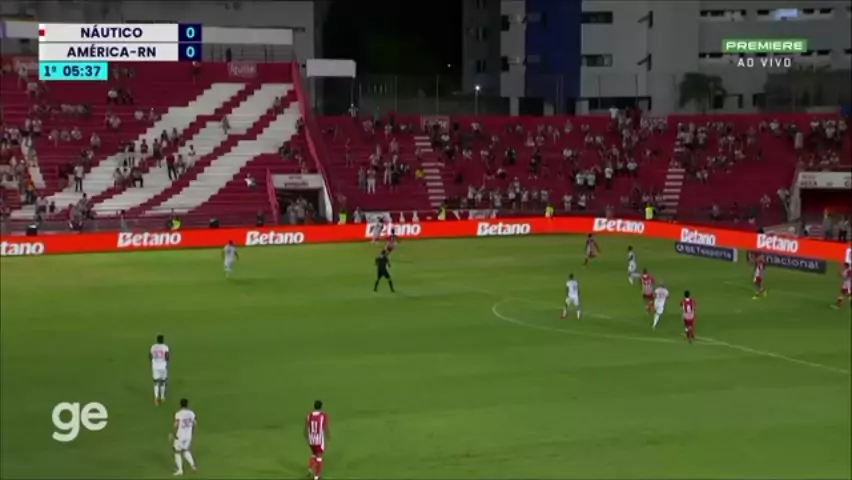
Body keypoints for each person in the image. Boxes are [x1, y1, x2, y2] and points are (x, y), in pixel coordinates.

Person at [170, 398, 197, 476]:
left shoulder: (179, 414)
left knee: (177, 452)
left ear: (180, 404)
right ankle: (193, 465)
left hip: (180, 436)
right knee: (185, 450)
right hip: (188, 436)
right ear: (187, 404)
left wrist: (172, 433)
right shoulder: (191, 413)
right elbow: (195, 423)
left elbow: (176, 425)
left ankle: (180, 470)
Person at [305, 400, 330, 480]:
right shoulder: (323, 416)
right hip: (318, 440)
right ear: (321, 407)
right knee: (319, 458)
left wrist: (307, 438)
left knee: (314, 454)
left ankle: (309, 468)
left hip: (311, 439)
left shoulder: (309, 415)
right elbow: (325, 428)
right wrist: (328, 436)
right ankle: (317, 477)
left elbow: (306, 428)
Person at [149, 334, 170, 406]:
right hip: (163, 366)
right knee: (163, 382)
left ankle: (156, 397)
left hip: (155, 366)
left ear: (157, 340)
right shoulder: (165, 347)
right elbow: (167, 357)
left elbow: (150, 356)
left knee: (156, 382)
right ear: (163, 340)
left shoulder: (153, 347)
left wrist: (154, 360)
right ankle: (162, 397)